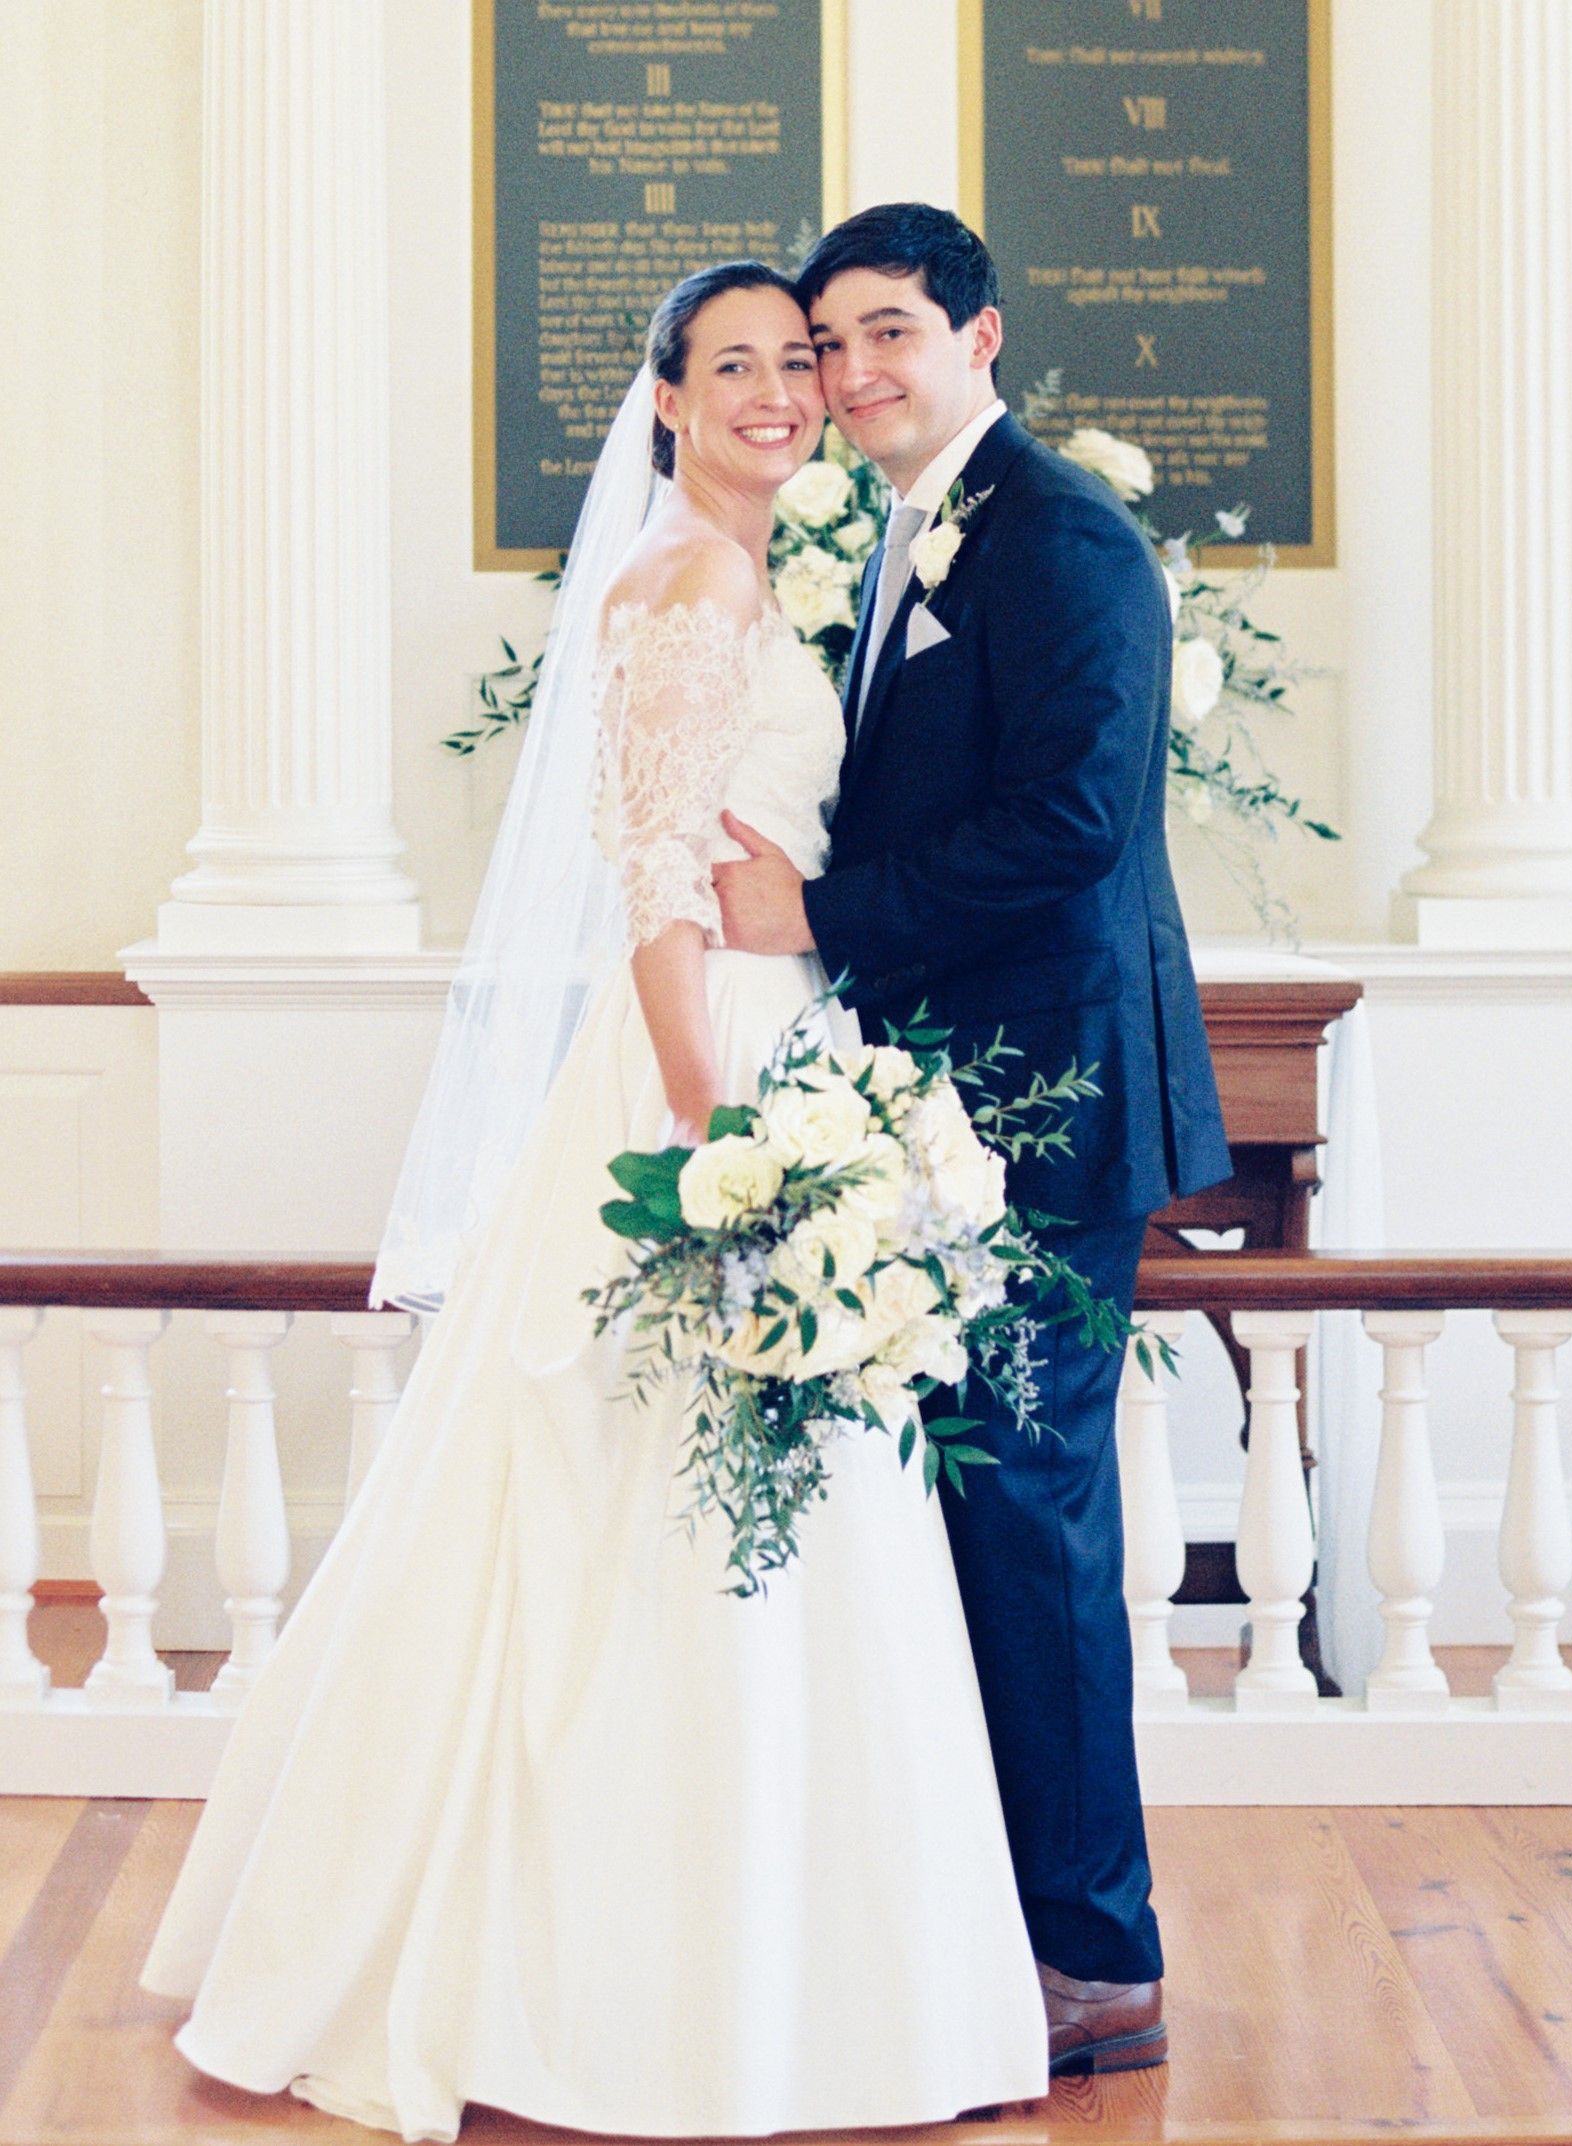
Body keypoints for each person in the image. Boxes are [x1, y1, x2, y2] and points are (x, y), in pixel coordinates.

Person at [139, 262, 1049, 2141]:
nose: (783, 392)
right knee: (654, 1500)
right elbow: (655, 887)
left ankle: (764, 1969)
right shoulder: (697, 586)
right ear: (664, 403)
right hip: (707, 1064)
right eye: (737, 367)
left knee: (748, 1511)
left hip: (772, 1037)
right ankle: (684, 1989)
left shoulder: (744, 576)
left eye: (797, 361)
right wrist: (719, 1144)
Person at [715, 203, 1235, 2076]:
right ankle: (984, 1924)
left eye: (886, 335)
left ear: (981, 336)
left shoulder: (1065, 539)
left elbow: (1078, 824)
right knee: (972, 1515)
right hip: (949, 1100)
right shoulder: (916, 532)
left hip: (1052, 1108)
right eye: (829, 342)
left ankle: (1100, 1959)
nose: (851, 374)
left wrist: (819, 924)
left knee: (1027, 1518)